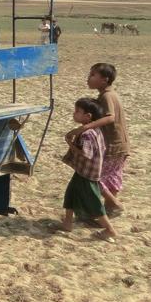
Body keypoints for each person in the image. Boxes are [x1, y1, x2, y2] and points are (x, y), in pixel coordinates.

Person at [60, 97, 118, 242]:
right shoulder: (96, 129)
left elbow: (86, 153)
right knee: (71, 194)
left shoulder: (87, 134)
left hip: (87, 174)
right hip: (84, 171)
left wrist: (70, 144)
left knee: (93, 204)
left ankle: (110, 230)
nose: (74, 114)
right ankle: (67, 222)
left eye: (77, 111)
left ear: (88, 116)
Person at [80, 63, 129, 216]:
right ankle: (109, 210)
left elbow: (110, 118)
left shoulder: (107, 96)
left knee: (94, 177)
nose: (88, 78)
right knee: (112, 176)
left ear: (104, 80)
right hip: (120, 145)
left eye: (93, 75)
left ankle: (114, 204)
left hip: (113, 145)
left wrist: (85, 128)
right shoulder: (109, 94)